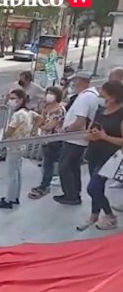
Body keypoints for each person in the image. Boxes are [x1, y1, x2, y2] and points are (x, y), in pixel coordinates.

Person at [79, 81, 123, 230]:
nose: (101, 98)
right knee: (97, 187)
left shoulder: (121, 114)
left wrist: (105, 137)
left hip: (110, 157)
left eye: (104, 95)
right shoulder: (100, 111)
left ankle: (110, 215)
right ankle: (94, 214)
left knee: (93, 187)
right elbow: (89, 130)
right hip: (94, 153)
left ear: (113, 97)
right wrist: (90, 136)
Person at [54, 72, 100, 205]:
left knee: (65, 166)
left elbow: (80, 120)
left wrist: (66, 130)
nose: (74, 84)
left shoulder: (85, 97)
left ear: (81, 81)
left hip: (74, 138)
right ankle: (74, 193)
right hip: (79, 138)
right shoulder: (91, 95)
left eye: (75, 81)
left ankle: (71, 195)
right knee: (73, 166)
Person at [0, 89, 33, 209]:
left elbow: (10, 130)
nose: (11, 101)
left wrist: (2, 139)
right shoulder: (27, 112)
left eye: (13, 98)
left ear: (21, 100)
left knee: (11, 174)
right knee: (17, 172)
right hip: (21, 146)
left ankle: (9, 199)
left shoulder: (17, 114)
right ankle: (15, 197)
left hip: (14, 146)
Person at [29, 87, 66, 199]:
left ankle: (46, 186)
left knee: (51, 164)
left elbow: (50, 125)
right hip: (45, 139)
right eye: (47, 93)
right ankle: (44, 185)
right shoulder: (47, 107)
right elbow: (41, 119)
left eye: (51, 93)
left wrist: (40, 127)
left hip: (54, 140)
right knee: (47, 164)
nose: (48, 95)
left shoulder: (59, 110)